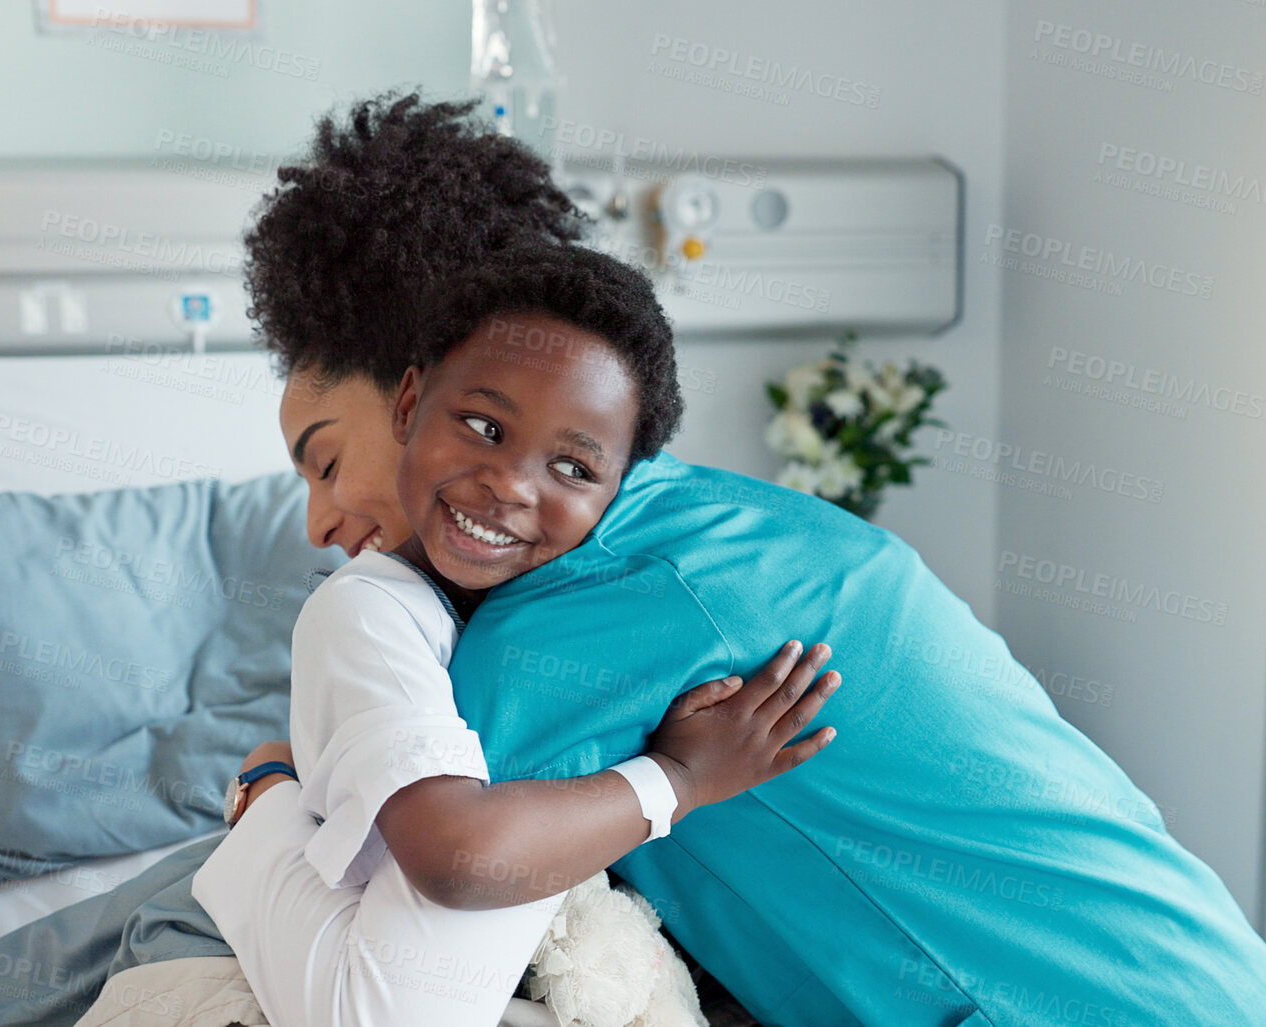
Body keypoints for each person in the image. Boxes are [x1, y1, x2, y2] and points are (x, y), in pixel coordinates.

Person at [221, 91, 1266, 1025]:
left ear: (423, 386)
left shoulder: (571, 623)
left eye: (324, 460)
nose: (320, 525)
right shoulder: (706, 527)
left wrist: (268, 793)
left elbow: (387, 976)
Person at [195, 244, 839, 1025]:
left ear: (622, 489)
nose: (509, 482)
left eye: (572, 467)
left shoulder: (543, 615)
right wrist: (679, 779)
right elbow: (446, 871)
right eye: (480, 424)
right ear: (409, 407)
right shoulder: (365, 607)